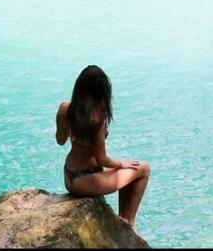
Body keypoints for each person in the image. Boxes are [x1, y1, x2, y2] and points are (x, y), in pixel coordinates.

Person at [56, 65, 151, 228]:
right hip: (86, 181)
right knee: (143, 169)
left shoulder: (65, 108)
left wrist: (71, 130)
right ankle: (129, 222)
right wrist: (121, 163)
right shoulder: (98, 117)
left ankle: (123, 220)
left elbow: (60, 140)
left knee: (128, 172)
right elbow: (102, 160)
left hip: (69, 176)